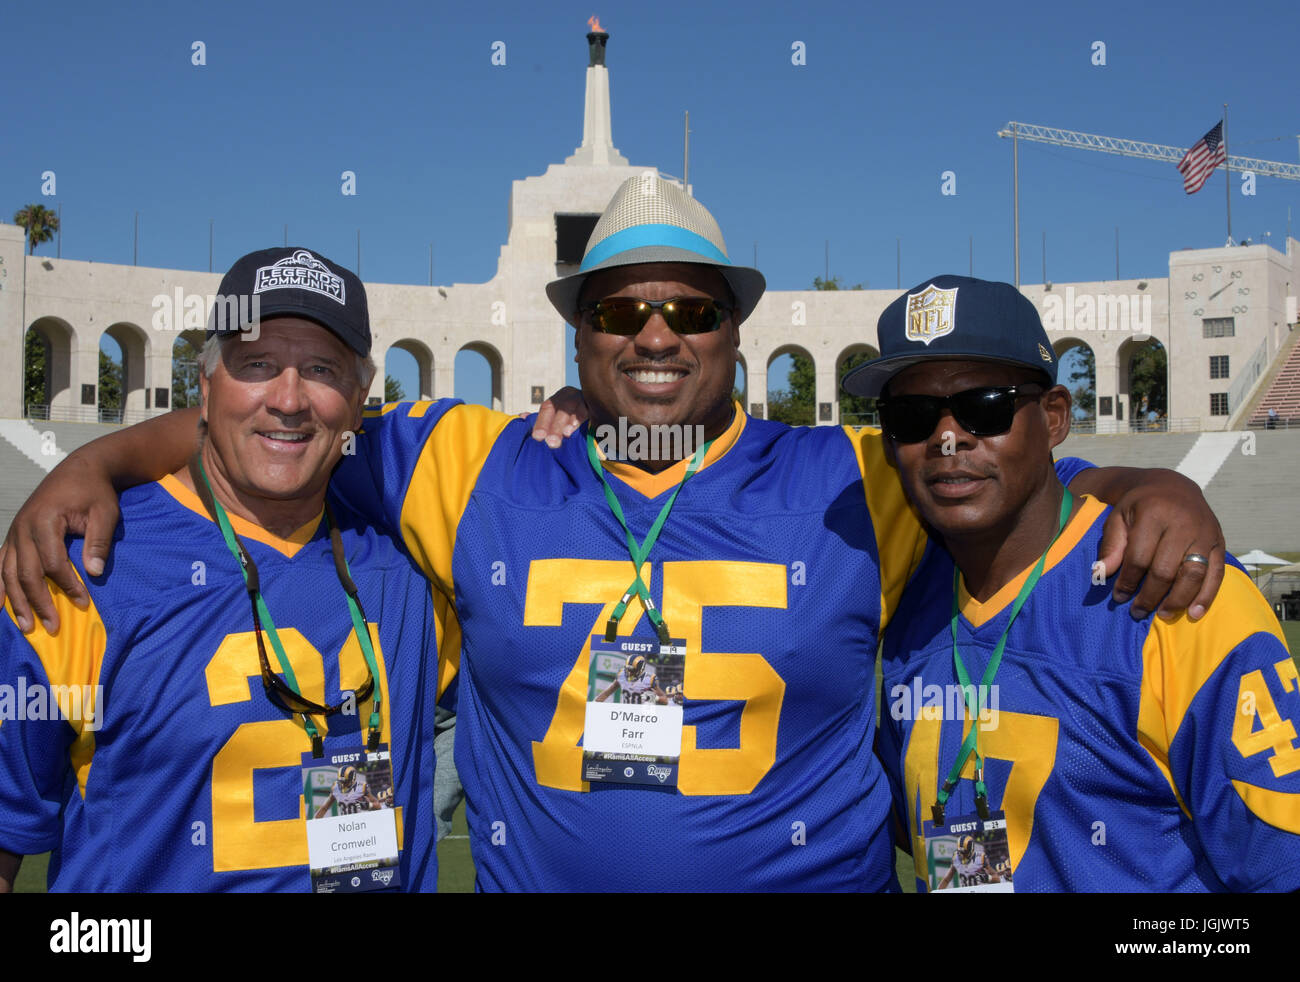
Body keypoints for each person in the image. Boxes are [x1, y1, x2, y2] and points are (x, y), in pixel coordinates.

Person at [0, 180, 1228, 892]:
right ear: (580, 336)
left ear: (734, 333)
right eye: (622, 310)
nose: (655, 334)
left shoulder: (857, 475)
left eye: (688, 310)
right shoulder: (470, 457)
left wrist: (1145, 486)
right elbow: (280, 433)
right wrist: (98, 460)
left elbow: (1001, 467)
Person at [0, 247, 452, 891]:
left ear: (358, 402)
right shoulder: (82, 571)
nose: (288, 399)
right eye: (257, 364)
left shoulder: (415, 572)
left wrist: (586, 418)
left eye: (321, 369)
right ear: (206, 388)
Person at [854, 275, 1300, 891]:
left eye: (986, 404)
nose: (948, 437)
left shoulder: (1176, 590)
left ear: (1055, 417)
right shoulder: (908, 597)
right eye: (912, 415)